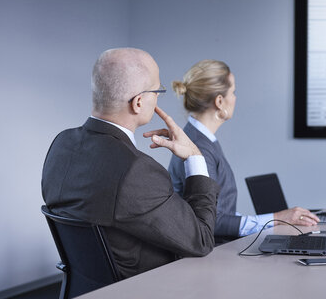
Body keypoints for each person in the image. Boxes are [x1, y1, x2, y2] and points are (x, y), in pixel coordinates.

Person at [41, 48, 220, 279]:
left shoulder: (62, 145)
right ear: (138, 102)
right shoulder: (136, 171)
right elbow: (202, 240)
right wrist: (195, 157)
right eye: (157, 91)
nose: (158, 97)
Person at [168, 59, 319, 243]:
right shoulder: (199, 147)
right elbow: (212, 221)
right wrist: (277, 218)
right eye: (234, 92)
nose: (235, 98)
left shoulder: (200, 138)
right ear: (220, 101)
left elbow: (221, 211)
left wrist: (270, 221)